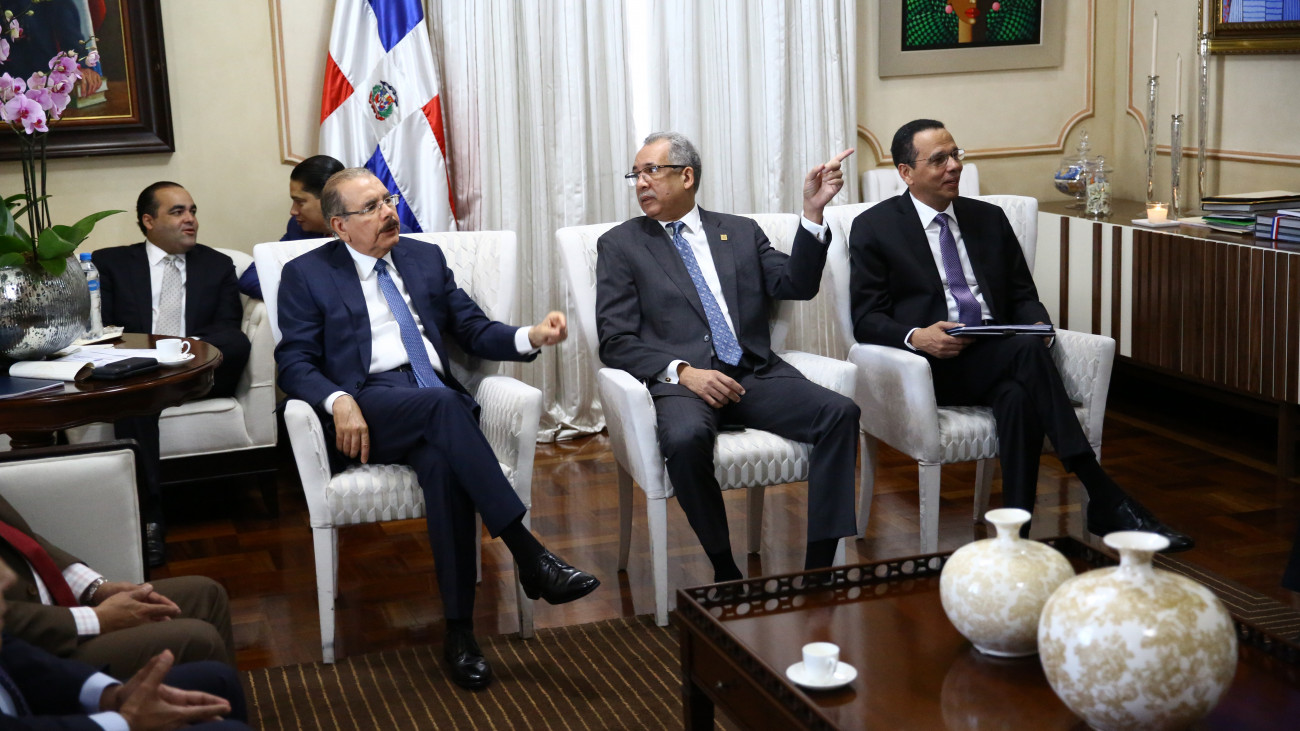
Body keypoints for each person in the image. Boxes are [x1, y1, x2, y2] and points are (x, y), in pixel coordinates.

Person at [275, 168, 599, 690]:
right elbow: (293, 362)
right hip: (369, 405)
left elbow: (472, 328)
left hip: (432, 408)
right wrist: (338, 401)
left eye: (388, 200)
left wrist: (530, 336)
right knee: (446, 405)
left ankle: (460, 633)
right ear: (339, 225)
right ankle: (529, 554)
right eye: (371, 207)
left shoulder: (423, 258)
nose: (388, 212)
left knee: (444, 465)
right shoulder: (307, 274)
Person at [847, 119, 1193, 551]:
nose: (954, 166)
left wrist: (1039, 326)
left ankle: (1016, 539)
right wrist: (918, 336)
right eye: (938, 160)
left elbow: (1023, 296)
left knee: (1017, 395)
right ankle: (1101, 491)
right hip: (932, 366)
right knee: (1025, 357)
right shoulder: (875, 227)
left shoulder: (988, 219)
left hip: (998, 352)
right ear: (906, 172)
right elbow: (866, 318)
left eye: (955, 154)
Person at [594, 132, 860, 583]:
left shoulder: (739, 232)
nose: (640, 183)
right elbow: (615, 340)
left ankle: (819, 571)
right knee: (683, 440)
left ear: (687, 176)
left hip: (753, 373)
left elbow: (796, 285)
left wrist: (813, 213)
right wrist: (683, 372)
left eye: (651, 171)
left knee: (841, 413)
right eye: (635, 175)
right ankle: (724, 567)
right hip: (684, 384)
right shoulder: (621, 244)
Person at [93, 182, 252, 567]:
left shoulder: (217, 264)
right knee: (136, 401)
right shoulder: (111, 263)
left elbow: (227, 328)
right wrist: (149, 358)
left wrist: (182, 351)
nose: (190, 219)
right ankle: (149, 519)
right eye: (177, 212)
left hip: (196, 373)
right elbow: (104, 329)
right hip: (138, 375)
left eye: (192, 211)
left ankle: (159, 376)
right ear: (148, 221)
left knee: (237, 342)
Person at [0, 491, 234, 680]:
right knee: (199, 639)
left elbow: (19, 537)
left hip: (59, 609)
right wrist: (99, 619)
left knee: (207, 595)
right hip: (33, 653)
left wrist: (96, 588)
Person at [0, 558, 250, 729]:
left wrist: (112, 696)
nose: (9, 577)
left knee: (219, 677)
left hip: (32, 671)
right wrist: (126, 723)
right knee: (198, 638)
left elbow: (13, 653)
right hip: (49, 644)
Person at [238, 155, 346, 299]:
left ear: (329, 200)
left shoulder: (362, 233)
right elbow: (251, 278)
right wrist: (302, 295)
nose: (293, 211)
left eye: (300, 202)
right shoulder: (298, 228)